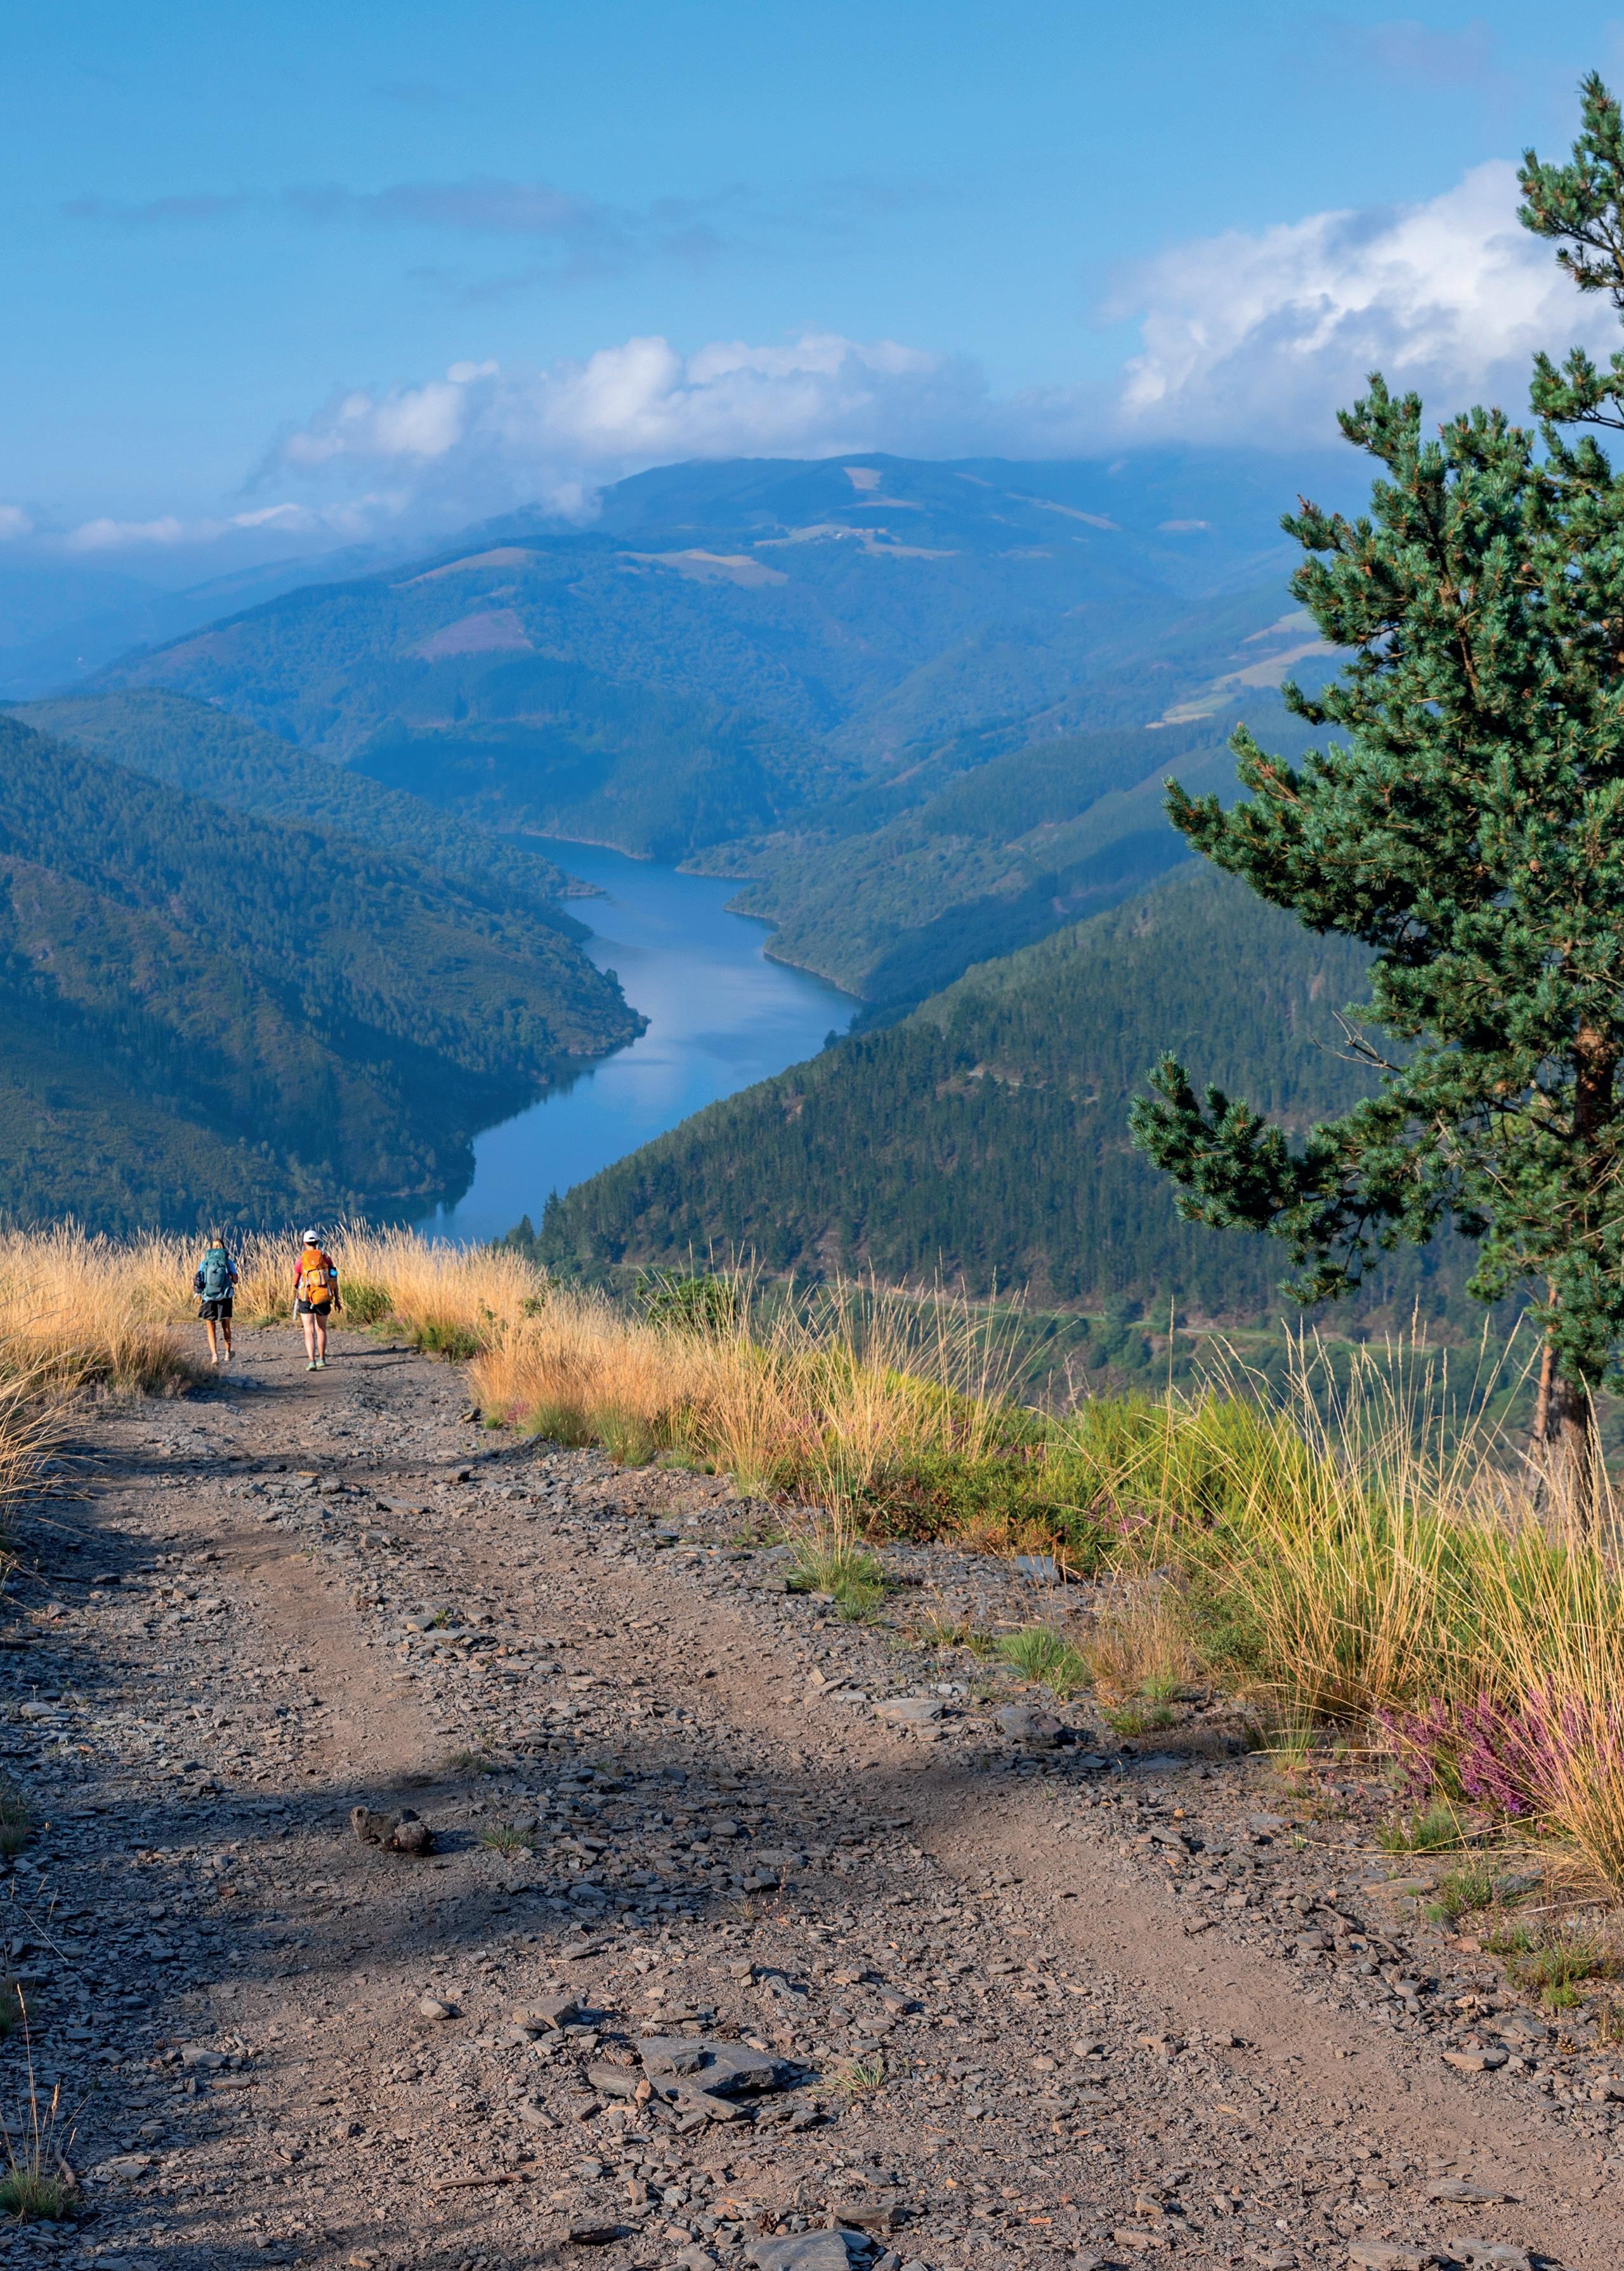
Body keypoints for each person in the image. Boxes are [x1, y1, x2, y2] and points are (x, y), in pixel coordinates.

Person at [293, 1230, 341, 1371]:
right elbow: (334, 1279)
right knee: (321, 1329)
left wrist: (299, 1288)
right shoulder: (326, 1259)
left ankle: (312, 1361)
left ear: (304, 1243)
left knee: (309, 1331)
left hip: (306, 1297)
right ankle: (322, 1359)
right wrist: (337, 1299)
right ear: (318, 1242)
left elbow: (295, 1282)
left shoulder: (300, 1260)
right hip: (323, 1296)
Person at [193, 1234, 238, 1367]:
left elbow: (199, 1281)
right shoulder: (229, 1262)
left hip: (208, 1297)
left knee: (210, 1326)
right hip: (225, 1296)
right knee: (226, 1325)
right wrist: (230, 1278)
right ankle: (228, 1353)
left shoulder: (204, 1263)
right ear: (224, 1249)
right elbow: (236, 1280)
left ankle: (214, 1355)